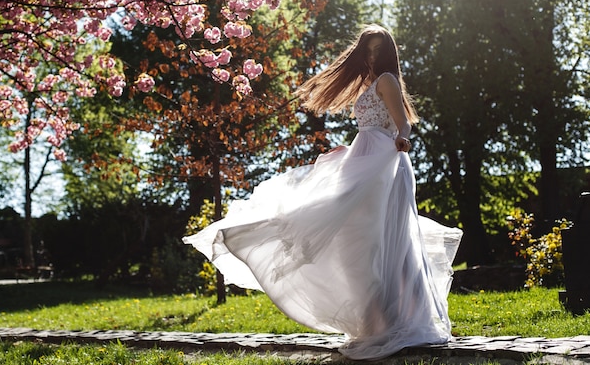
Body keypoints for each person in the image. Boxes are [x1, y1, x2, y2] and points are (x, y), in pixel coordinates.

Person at [183, 24, 463, 360]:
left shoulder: (387, 80)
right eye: (368, 50)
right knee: (358, 240)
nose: (372, 56)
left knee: (382, 240)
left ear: (387, 53)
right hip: (365, 158)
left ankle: (397, 321)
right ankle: (381, 321)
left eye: (378, 50)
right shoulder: (370, 83)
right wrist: (349, 151)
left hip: (386, 163)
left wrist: (402, 139)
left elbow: (402, 122)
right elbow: (372, 128)